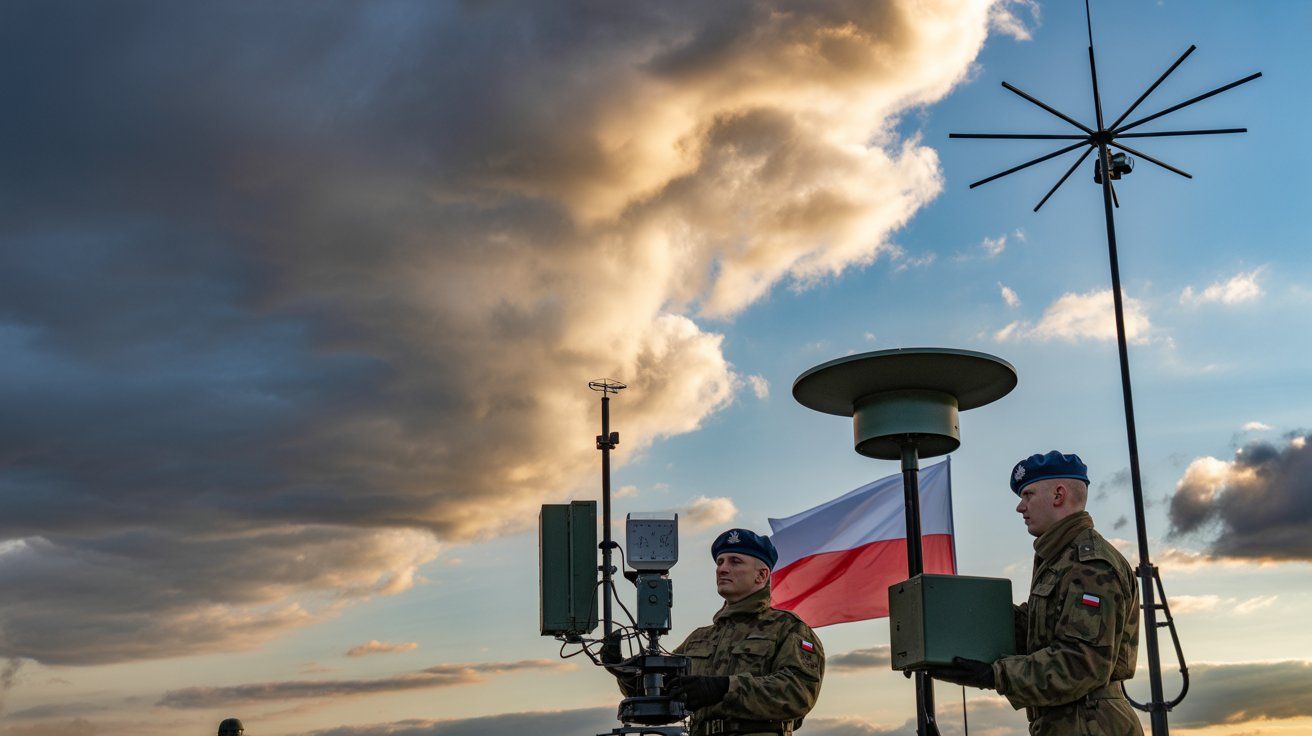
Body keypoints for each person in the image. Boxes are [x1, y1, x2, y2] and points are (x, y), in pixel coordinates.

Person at [929, 451, 1143, 735]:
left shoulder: (1089, 564)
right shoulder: (1060, 558)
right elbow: (1034, 632)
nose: (1020, 507)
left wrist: (996, 674)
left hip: (1090, 724)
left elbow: (1082, 663)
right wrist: (962, 624)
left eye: (1028, 495)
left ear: (1058, 495)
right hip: (1071, 721)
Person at [604, 528, 824, 736]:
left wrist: (725, 688)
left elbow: (798, 693)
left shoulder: (787, 628)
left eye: (735, 561)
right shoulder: (700, 638)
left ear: (761, 575)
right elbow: (659, 695)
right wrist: (623, 670)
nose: (722, 568)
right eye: (720, 562)